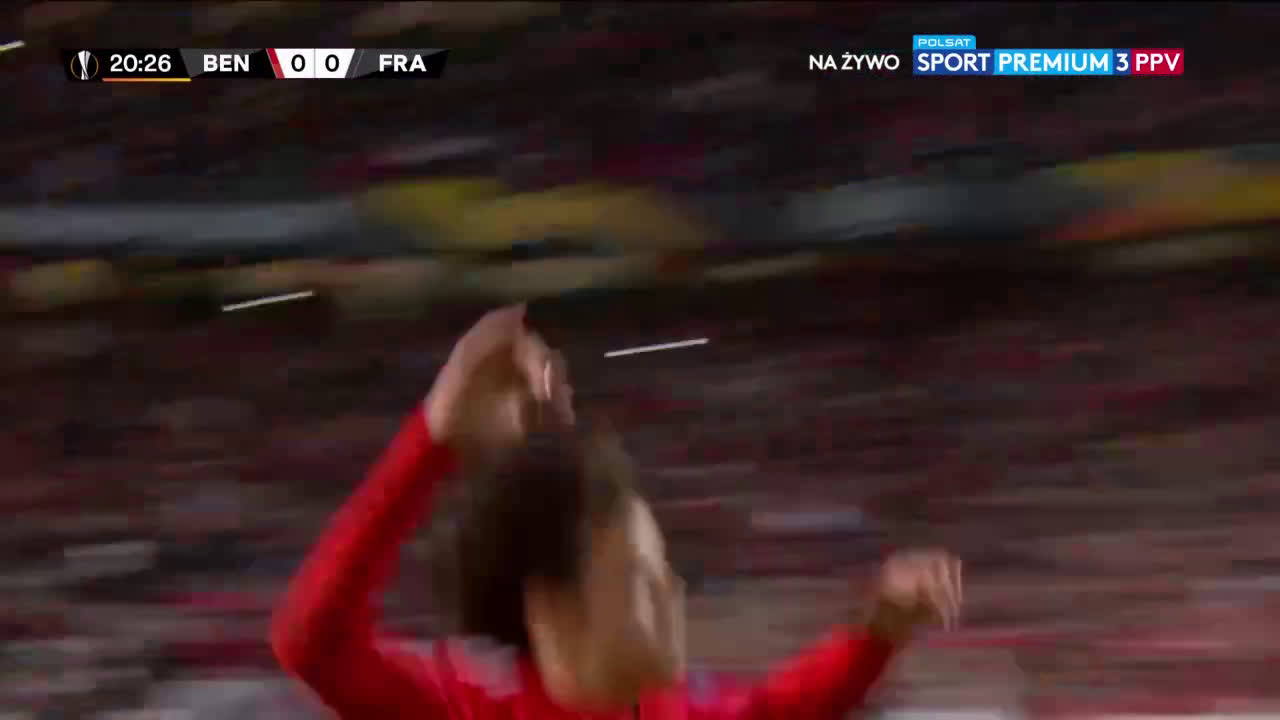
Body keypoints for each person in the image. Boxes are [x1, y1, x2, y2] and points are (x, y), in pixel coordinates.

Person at [272, 306, 963, 720]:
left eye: (664, 569)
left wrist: (877, 632)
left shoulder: (686, 707)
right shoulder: (465, 707)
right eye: (639, 575)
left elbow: (780, 710)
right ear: (554, 609)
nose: (673, 590)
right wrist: (435, 435)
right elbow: (313, 641)